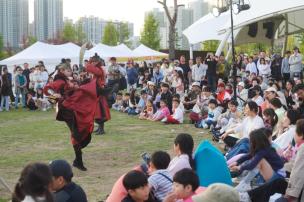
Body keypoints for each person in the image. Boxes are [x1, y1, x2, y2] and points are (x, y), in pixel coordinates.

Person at [44, 65, 94, 171]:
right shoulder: (60, 81)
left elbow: (72, 89)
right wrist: (55, 96)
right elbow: (47, 89)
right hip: (66, 110)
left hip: (71, 108)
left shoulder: (66, 80)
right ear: (62, 71)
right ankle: (78, 161)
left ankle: (78, 159)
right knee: (77, 133)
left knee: (81, 132)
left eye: (70, 70)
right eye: (68, 70)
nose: (70, 72)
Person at [281, 119, 304, 201]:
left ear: (301, 135)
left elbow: (297, 171)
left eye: (295, 133)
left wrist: (290, 192)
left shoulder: (302, 148)